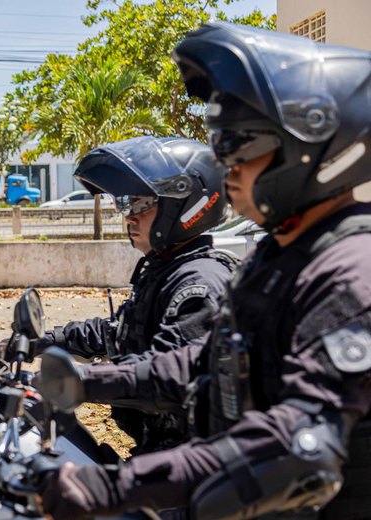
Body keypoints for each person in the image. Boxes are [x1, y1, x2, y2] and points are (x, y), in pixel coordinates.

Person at [36, 22, 371, 519]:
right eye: (221, 149)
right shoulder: (280, 254)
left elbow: (297, 442)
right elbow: (205, 360)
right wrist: (85, 381)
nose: (227, 168)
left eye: (241, 149)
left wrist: (115, 487)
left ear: (310, 148)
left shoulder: (350, 275)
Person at [34, 136, 237, 454]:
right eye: (125, 203)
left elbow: (165, 376)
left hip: (193, 463)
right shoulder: (166, 272)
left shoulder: (199, 284)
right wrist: (39, 342)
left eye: (141, 204)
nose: (129, 216)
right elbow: (117, 333)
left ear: (185, 204)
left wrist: (79, 381)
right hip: (160, 449)